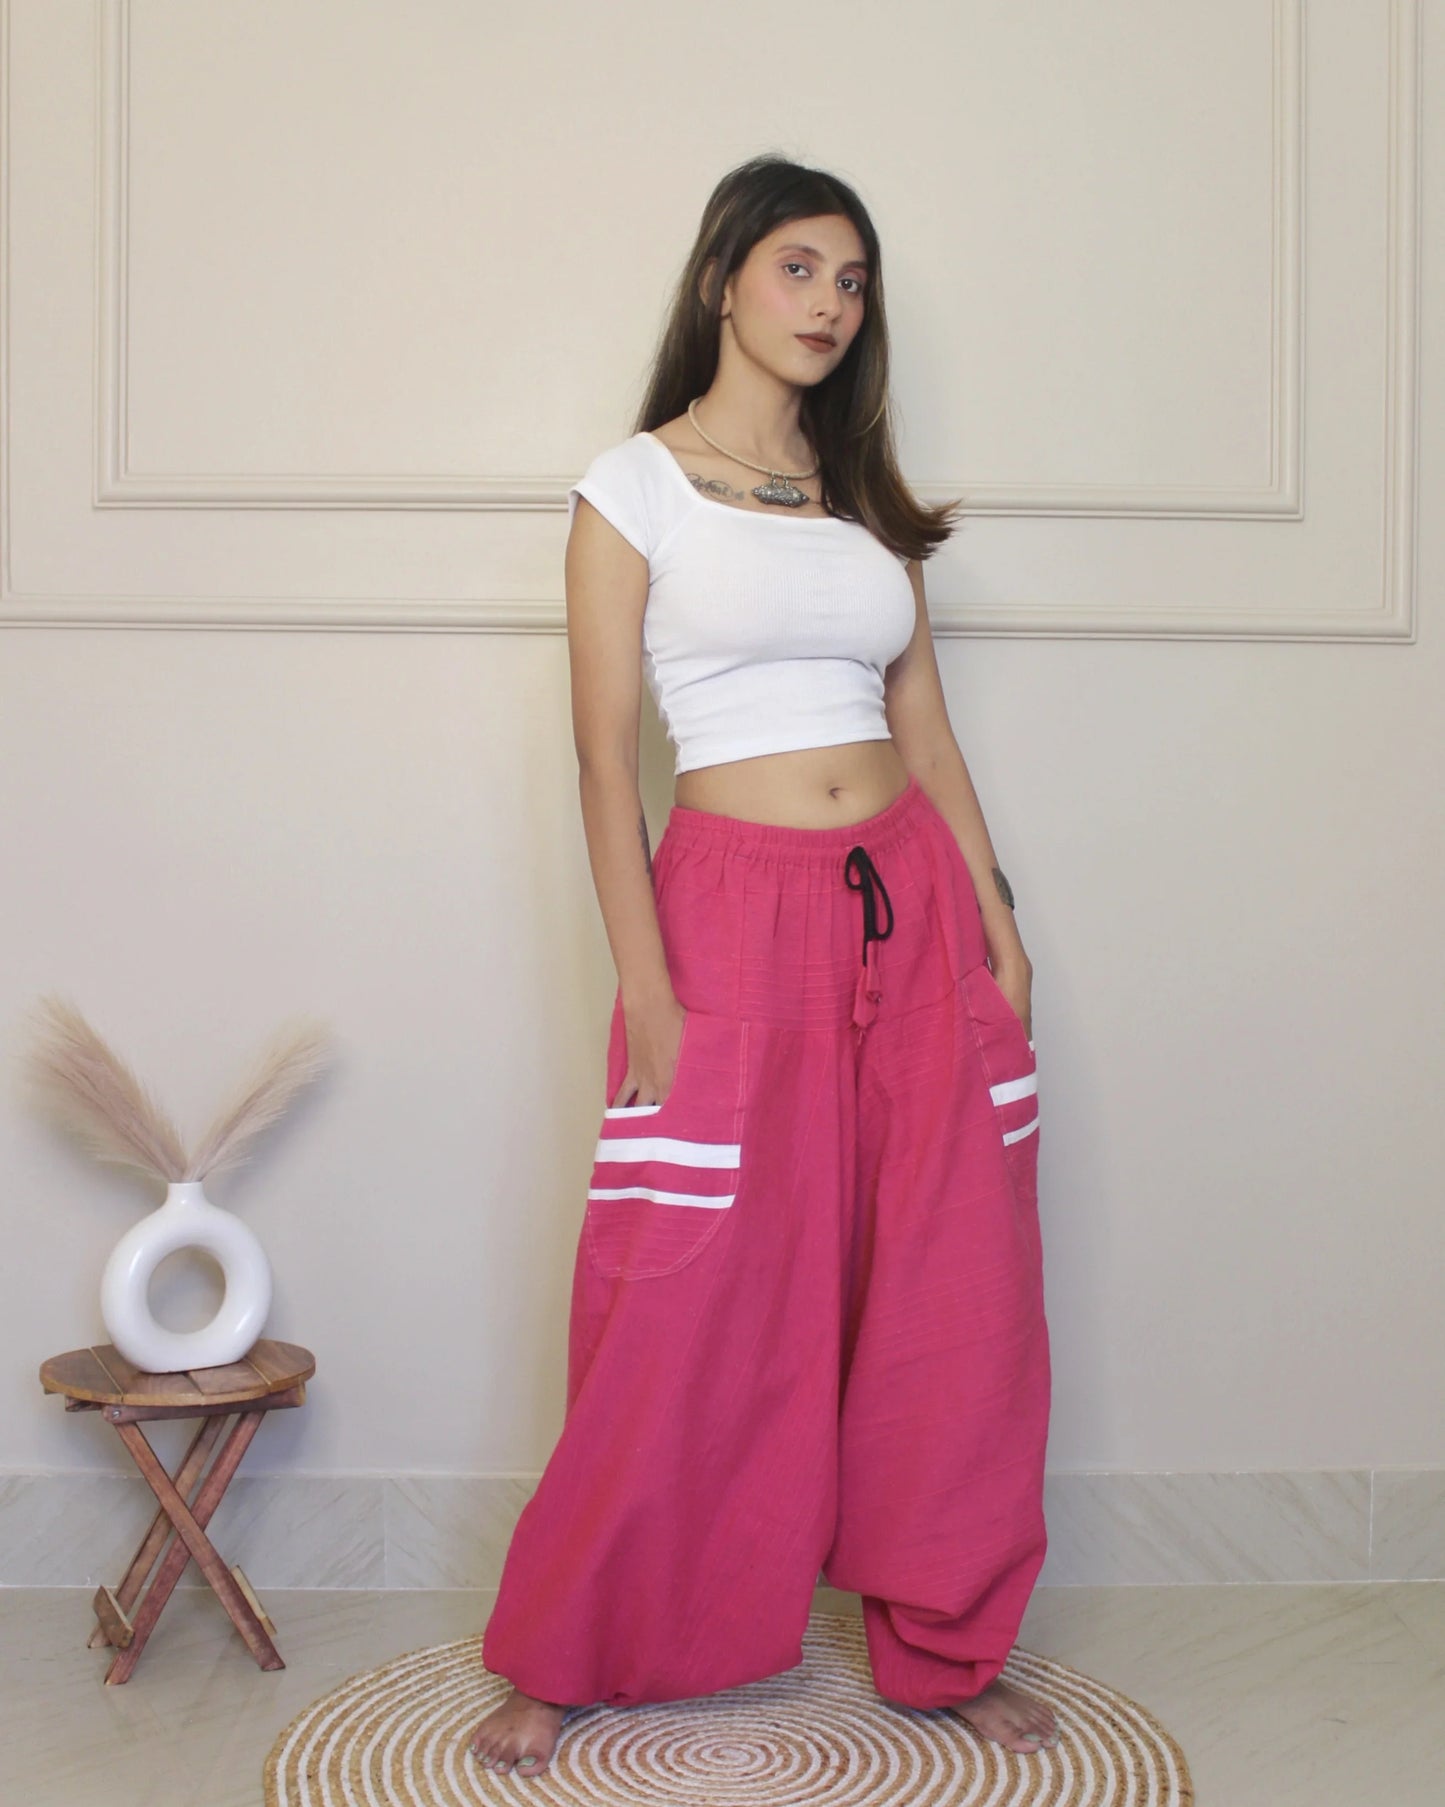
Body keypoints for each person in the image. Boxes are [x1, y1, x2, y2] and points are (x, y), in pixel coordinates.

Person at [466, 153, 1056, 1779]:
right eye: (800, 268)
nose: (827, 305)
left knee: (955, 1286)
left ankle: (943, 1646)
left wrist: (997, 912)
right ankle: (584, 1642)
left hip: (917, 908)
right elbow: (602, 763)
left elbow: (921, 719)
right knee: (685, 1293)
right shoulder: (630, 487)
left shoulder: (861, 491)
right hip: (726, 916)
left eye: (850, 282)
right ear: (722, 276)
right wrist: (647, 982)